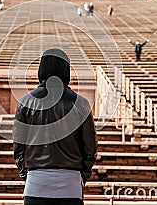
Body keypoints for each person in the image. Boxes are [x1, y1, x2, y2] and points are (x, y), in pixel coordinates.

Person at [13, 48, 98, 205]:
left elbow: (19, 146)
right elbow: (90, 147)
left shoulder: (26, 101)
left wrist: (27, 172)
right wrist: (82, 175)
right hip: (70, 183)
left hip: (36, 182)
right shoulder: (80, 103)